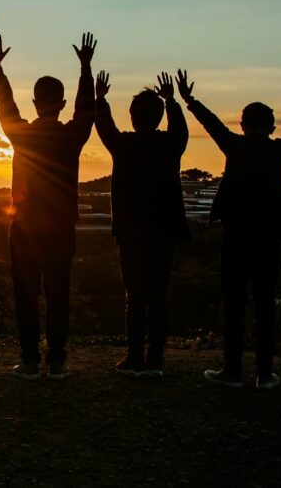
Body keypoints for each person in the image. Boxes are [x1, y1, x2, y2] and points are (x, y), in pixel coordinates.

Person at [177, 70, 281, 389]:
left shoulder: (235, 146)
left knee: (234, 304)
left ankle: (232, 370)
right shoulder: (280, 151)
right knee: (265, 304)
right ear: (272, 127)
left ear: (242, 125)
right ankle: (264, 372)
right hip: (270, 239)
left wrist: (190, 100)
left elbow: (212, 124)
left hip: (235, 237)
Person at [0, 32, 96, 380]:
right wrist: (85, 69)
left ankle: (30, 360)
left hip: (24, 227)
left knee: (26, 295)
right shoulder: (71, 136)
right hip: (61, 228)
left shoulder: (22, 133)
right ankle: (57, 361)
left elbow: (6, 108)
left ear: (35, 103)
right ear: (61, 103)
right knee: (58, 294)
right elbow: (87, 111)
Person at [95, 71, 189, 377]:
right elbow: (181, 130)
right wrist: (172, 100)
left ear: (133, 117)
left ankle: (134, 357)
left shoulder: (124, 145)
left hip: (131, 232)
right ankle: (155, 360)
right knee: (158, 295)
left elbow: (104, 126)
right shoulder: (170, 145)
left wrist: (100, 98)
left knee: (134, 296)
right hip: (164, 230)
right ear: (159, 117)